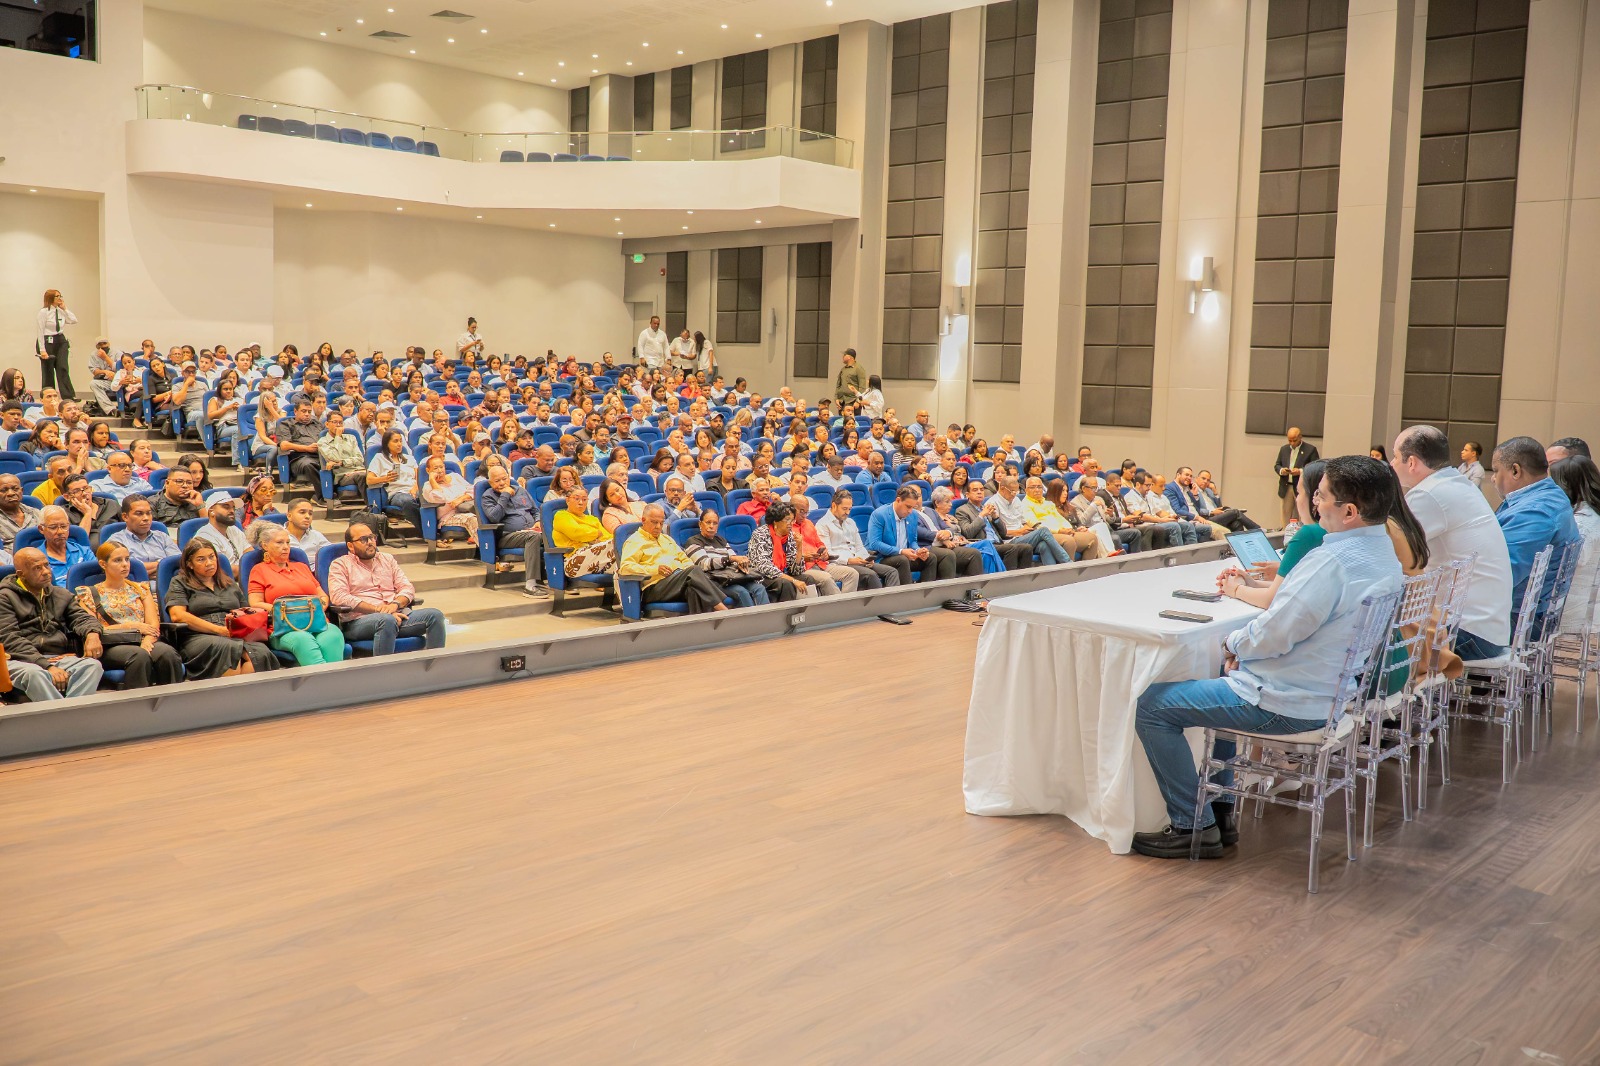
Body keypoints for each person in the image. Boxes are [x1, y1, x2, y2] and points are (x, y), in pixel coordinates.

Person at [1131, 456, 1405, 859]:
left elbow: (1276, 632)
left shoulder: (1331, 562)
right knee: (1223, 682)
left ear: (1349, 511)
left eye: (1321, 496)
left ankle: (1193, 825)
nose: (1315, 504)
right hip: (1331, 696)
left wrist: (1233, 645)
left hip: (1285, 701)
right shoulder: (1385, 557)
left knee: (1152, 707)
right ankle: (1221, 812)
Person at [1390, 426, 1513, 659]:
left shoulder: (1428, 494)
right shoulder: (1458, 484)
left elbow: (1390, 553)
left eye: (1395, 456)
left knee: (1366, 644)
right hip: (1487, 629)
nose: (1392, 463)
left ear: (1412, 462)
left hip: (1465, 633)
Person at [1491, 436, 1584, 628]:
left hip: (1519, 620)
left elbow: (1500, 576)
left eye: (1496, 470)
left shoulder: (1534, 511)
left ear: (1515, 470)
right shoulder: (1550, 495)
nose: (1493, 478)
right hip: (1526, 615)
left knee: (1430, 630)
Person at [1219, 459, 1329, 610]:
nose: (1297, 499)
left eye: (1299, 493)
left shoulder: (1309, 533)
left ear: (1315, 497)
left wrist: (1235, 589)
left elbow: (1272, 599)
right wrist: (1252, 582)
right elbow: (1294, 588)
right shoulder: (1340, 532)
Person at [164, 539, 282, 678]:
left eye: (212, 557)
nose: (209, 563)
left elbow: (245, 611)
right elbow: (178, 616)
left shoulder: (228, 582)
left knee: (261, 653)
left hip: (233, 633)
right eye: (201, 559)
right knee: (230, 651)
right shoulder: (179, 583)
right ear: (190, 564)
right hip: (198, 635)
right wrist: (219, 630)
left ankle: (242, 691)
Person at [75, 541, 184, 689]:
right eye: (117, 560)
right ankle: (139, 703)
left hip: (143, 640)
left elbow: (153, 624)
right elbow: (92, 629)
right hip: (110, 645)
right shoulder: (88, 593)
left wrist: (147, 641)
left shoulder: (141, 589)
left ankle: (172, 700)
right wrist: (133, 626)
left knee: (168, 654)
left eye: (127, 559)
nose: (125, 564)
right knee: (139, 656)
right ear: (103, 564)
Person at [328, 522, 448, 655]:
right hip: (359, 622)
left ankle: (434, 665)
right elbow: (339, 597)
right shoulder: (340, 565)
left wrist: (395, 605)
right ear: (350, 546)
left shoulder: (387, 559)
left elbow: (406, 587)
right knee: (386, 620)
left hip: (397, 614)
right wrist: (378, 610)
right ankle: (383, 669)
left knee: (435, 616)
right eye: (363, 539)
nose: (370, 542)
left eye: (372, 537)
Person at [0, 548, 104, 699]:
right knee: (35, 674)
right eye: (37, 568)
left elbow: (83, 618)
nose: (46, 571)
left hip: (56, 657)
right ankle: (65, 714)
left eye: (46, 565)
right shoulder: (4, 598)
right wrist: (46, 665)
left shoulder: (60, 594)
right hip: (20, 659)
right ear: (21, 574)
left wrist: (92, 634)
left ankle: (69, 711)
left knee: (92, 666)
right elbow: (10, 639)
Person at [248, 525, 345, 667]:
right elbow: (255, 603)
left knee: (333, 636)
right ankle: (326, 680)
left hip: (317, 623)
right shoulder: (259, 570)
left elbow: (322, 597)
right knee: (304, 640)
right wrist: (288, 610)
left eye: (288, 542)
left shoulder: (301, 567)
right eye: (279, 542)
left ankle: (332, 678)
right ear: (265, 545)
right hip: (283, 628)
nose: (286, 547)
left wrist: (317, 607)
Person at [618, 503, 728, 613]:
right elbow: (625, 568)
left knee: (693, 590)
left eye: (661, 523)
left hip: (677, 581)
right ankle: (724, 611)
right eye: (654, 522)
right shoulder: (634, 541)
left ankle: (701, 623)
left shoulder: (667, 539)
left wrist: (683, 572)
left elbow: (685, 559)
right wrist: (655, 569)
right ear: (643, 520)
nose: (658, 527)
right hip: (655, 587)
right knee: (694, 571)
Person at [480, 462, 549, 597]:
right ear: (490, 482)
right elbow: (494, 517)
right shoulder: (488, 496)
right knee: (533, 537)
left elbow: (535, 510)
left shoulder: (520, 491)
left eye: (504, 479)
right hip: (507, 536)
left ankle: (560, 581)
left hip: (531, 531)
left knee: (554, 534)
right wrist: (505, 495)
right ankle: (530, 586)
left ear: (509, 477)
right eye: (497, 481)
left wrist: (537, 521)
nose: (502, 483)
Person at [1551, 455, 1600, 635]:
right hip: (1586, 606)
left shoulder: (1583, 521)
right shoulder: (1590, 514)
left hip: (1574, 610)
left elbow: (1574, 561)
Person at [748, 500, 838, 597]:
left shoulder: (789, 535)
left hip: (783, 573)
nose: (791, 524)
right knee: (786, 583)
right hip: (763, 577)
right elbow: (765, 567)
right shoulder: (760, 534)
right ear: (776, 521)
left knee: (809, 579)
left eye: (792, 520)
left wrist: (799, 547)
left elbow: (796, 571)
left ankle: (810, 606)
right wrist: (793, 580)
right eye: (787, 520)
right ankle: (790, 608)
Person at [684, 509, 770, 608]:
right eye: (708, 522)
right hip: (714, 580)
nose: (711, 526)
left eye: (715, 523)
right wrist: (730, 559)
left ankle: (766, 617)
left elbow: (734, 558)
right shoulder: (693, 541)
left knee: (759, 588)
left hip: (731, 577)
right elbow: (704, 564)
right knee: (742, 592)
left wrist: (741, 563)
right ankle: (748, 618)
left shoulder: (721, 540)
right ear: (700, 524)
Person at [953, 481, 1035, 570]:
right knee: (1011, 548)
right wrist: (982, 516)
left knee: (1027, 547)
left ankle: (1024, 577)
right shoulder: (962, 510)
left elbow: (1004, 533)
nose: (979, 492)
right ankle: (1007, 577)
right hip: (985, 545)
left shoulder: (986, 508)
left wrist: (996, 518)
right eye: (975, 490)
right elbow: (968, 533)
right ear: (967, 494)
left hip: (999, 542)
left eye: (981, 489)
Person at [1021, 476, 1102, 560]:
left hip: (1062, 532)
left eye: (1039, 487)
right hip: (1048, 535)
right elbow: (1036, 526)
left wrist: (1070, 529)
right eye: (1032, 487)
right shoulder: (1025, 505)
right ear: (1026, 490)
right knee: (1069, 541)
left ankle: (1085, 568)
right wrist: (1059, 531)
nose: (1037, 490)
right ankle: (1069, 568)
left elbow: (1060, 519)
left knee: (1092, 539)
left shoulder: (1047, 503)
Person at [368, 429, 421, 544]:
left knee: (429, 497)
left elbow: (418, 477)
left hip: (414, 490)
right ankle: (427, 533)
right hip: (396, 493)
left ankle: (437, 529)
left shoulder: (409, 458)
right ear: (387, 443)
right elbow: (369, 480)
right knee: (407, 501)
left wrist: (415, 488)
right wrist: (385, 478)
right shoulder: (379, 458)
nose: (399, 444)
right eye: (395, 441)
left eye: (400, 441)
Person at [551, 484, 616, 579]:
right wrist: (596, 533)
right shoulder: (561, 516)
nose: (581, 502)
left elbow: (607, 537)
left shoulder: (592, 519)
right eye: (577, 499)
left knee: (622, 563)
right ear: (567, 500)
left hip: (598, 562)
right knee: (615, 544)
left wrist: (591, 538)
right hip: (573, 562)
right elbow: (577, 533)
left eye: (584, 499)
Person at [276, 398, 325, 503]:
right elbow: (284, 445)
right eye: (303, 411)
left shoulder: (317, 424)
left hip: (320, 455)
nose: (307, 414)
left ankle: (335, 493)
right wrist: (307, 448)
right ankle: (322, 497)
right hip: (298, 459)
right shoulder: (286, 424)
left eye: (309, 412)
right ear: (295, 411)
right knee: (309, 464)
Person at [108, 495, 179, 567]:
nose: (146, 518)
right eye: (139, 513)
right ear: (125, 517)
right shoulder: (116, 542)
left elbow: (178, 564)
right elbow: (124, 569)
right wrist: (163, 564)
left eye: (149, 513)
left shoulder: (162, 537)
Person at [422, 455, 477, 541]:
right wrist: (432, 480)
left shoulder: (455, 477)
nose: (440, 471)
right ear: (428, 471)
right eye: (435, 468)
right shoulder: (427, 487)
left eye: (441, 467)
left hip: (469, 509)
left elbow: (474, 490)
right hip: (449, 517)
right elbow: (441, 498)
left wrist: (461, 499)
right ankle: (486, 548)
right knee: (472, 519)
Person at [1274, 426, 1320, 528]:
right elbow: (1277, 465)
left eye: (1294, 440)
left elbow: (1315, 467)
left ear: (1300, 437)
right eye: (1289, 440)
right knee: (1285, 515)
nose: (1292, 443)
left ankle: (1302, 533)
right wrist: (1282, 471)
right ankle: (1284, 533)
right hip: (1286, 487)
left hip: (1301, 488)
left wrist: (1300, 471)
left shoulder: (1310, 450)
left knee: (1302, 514)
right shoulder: (1284, 449)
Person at [194, 491, 251, 572]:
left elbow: (250, 554)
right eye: (226, 507)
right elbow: (222, 570)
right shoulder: (204, 536)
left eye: (233, 507)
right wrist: (249, 569)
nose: (232, 511)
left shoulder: (234, 529)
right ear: (211, 511)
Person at [36, 289, 77, 398]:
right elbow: (40, 331)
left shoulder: (61, 311)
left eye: (60, 296)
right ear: (50, 298)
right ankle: (49, 395)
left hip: (60, 340)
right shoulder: (44, 312)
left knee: (63, 367)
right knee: (48, 371)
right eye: (57, 296)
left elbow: (73, 320)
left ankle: (68, 396)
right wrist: (42, 349)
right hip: (47, 341)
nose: (60, 298)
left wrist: (65, 308)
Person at [36, 505, 92, 587]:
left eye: (64, 526)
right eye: (53, 527)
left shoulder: (84, 552)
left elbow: (96, 579)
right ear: (41, 529)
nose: (60, 532)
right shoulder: (37, 560)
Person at [317, 411, 368, 499]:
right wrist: (338, 437)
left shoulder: (351, 438)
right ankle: (371, 505)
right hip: (343, 476)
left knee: (377, 474)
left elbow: (360, 459)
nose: (338, 425)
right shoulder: (322, 442)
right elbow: (335, 457)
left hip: (359, 470)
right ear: (327, 424)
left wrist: (343, 462)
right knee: (362, 476)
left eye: (340, 422)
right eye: (335, 422)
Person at [58, 475, 118, 540]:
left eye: (86, 488)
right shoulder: (64, 514)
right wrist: (87, 513)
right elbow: (80, 541)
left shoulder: (110, 504)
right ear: (67, 497)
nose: (84, 493)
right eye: (77, 491)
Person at [0, 472, 39, 552]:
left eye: (15, 489)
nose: (11, 493)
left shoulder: (36, 513)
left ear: (22, 491)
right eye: (4, 490)